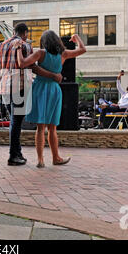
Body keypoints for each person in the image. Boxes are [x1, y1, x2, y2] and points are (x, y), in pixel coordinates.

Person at [0, 23, 63, 166]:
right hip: (20, 86)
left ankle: (18, 153)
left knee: (14, 121)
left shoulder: (1, 45)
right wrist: (54, 75)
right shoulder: (25, 46)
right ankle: (13, 156)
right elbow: (33, 67)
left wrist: (2, 65)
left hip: (5, 87)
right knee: (16, 122)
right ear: (25, 33)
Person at [17, 32, 86, 168]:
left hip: (40, 89)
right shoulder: (63, 54)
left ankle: (40, 160)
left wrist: (18, 49)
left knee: (40, 127)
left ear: (44, 42)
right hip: (54, 90)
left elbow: (23, 63)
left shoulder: (40, 53)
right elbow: (82, 49)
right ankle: (56, 157)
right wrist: (76, 37)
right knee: (53, 128)